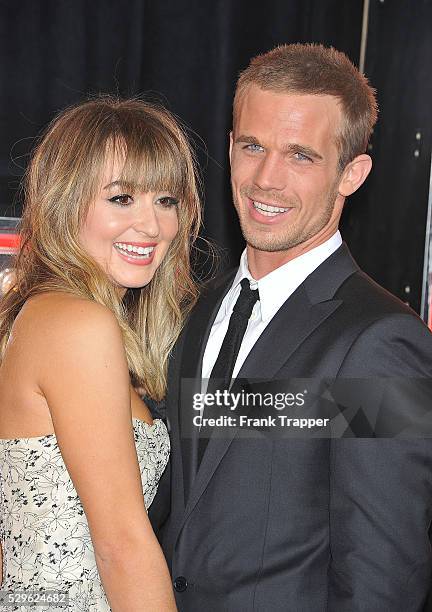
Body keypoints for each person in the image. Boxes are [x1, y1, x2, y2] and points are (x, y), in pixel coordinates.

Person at [152, 44, 432, 610]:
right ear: (230, 148)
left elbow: (383, 576)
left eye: (301, 156)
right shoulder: (192, 308)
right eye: (252, 146)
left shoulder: (381, 344)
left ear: (351, 173)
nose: (266, 179)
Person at [0, 97, 201, 611]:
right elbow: (121, 547)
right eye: (121, 198)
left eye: (166, 200)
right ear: (66, 202)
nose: (152, 226)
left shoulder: (46, 316)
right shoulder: (75, 324)